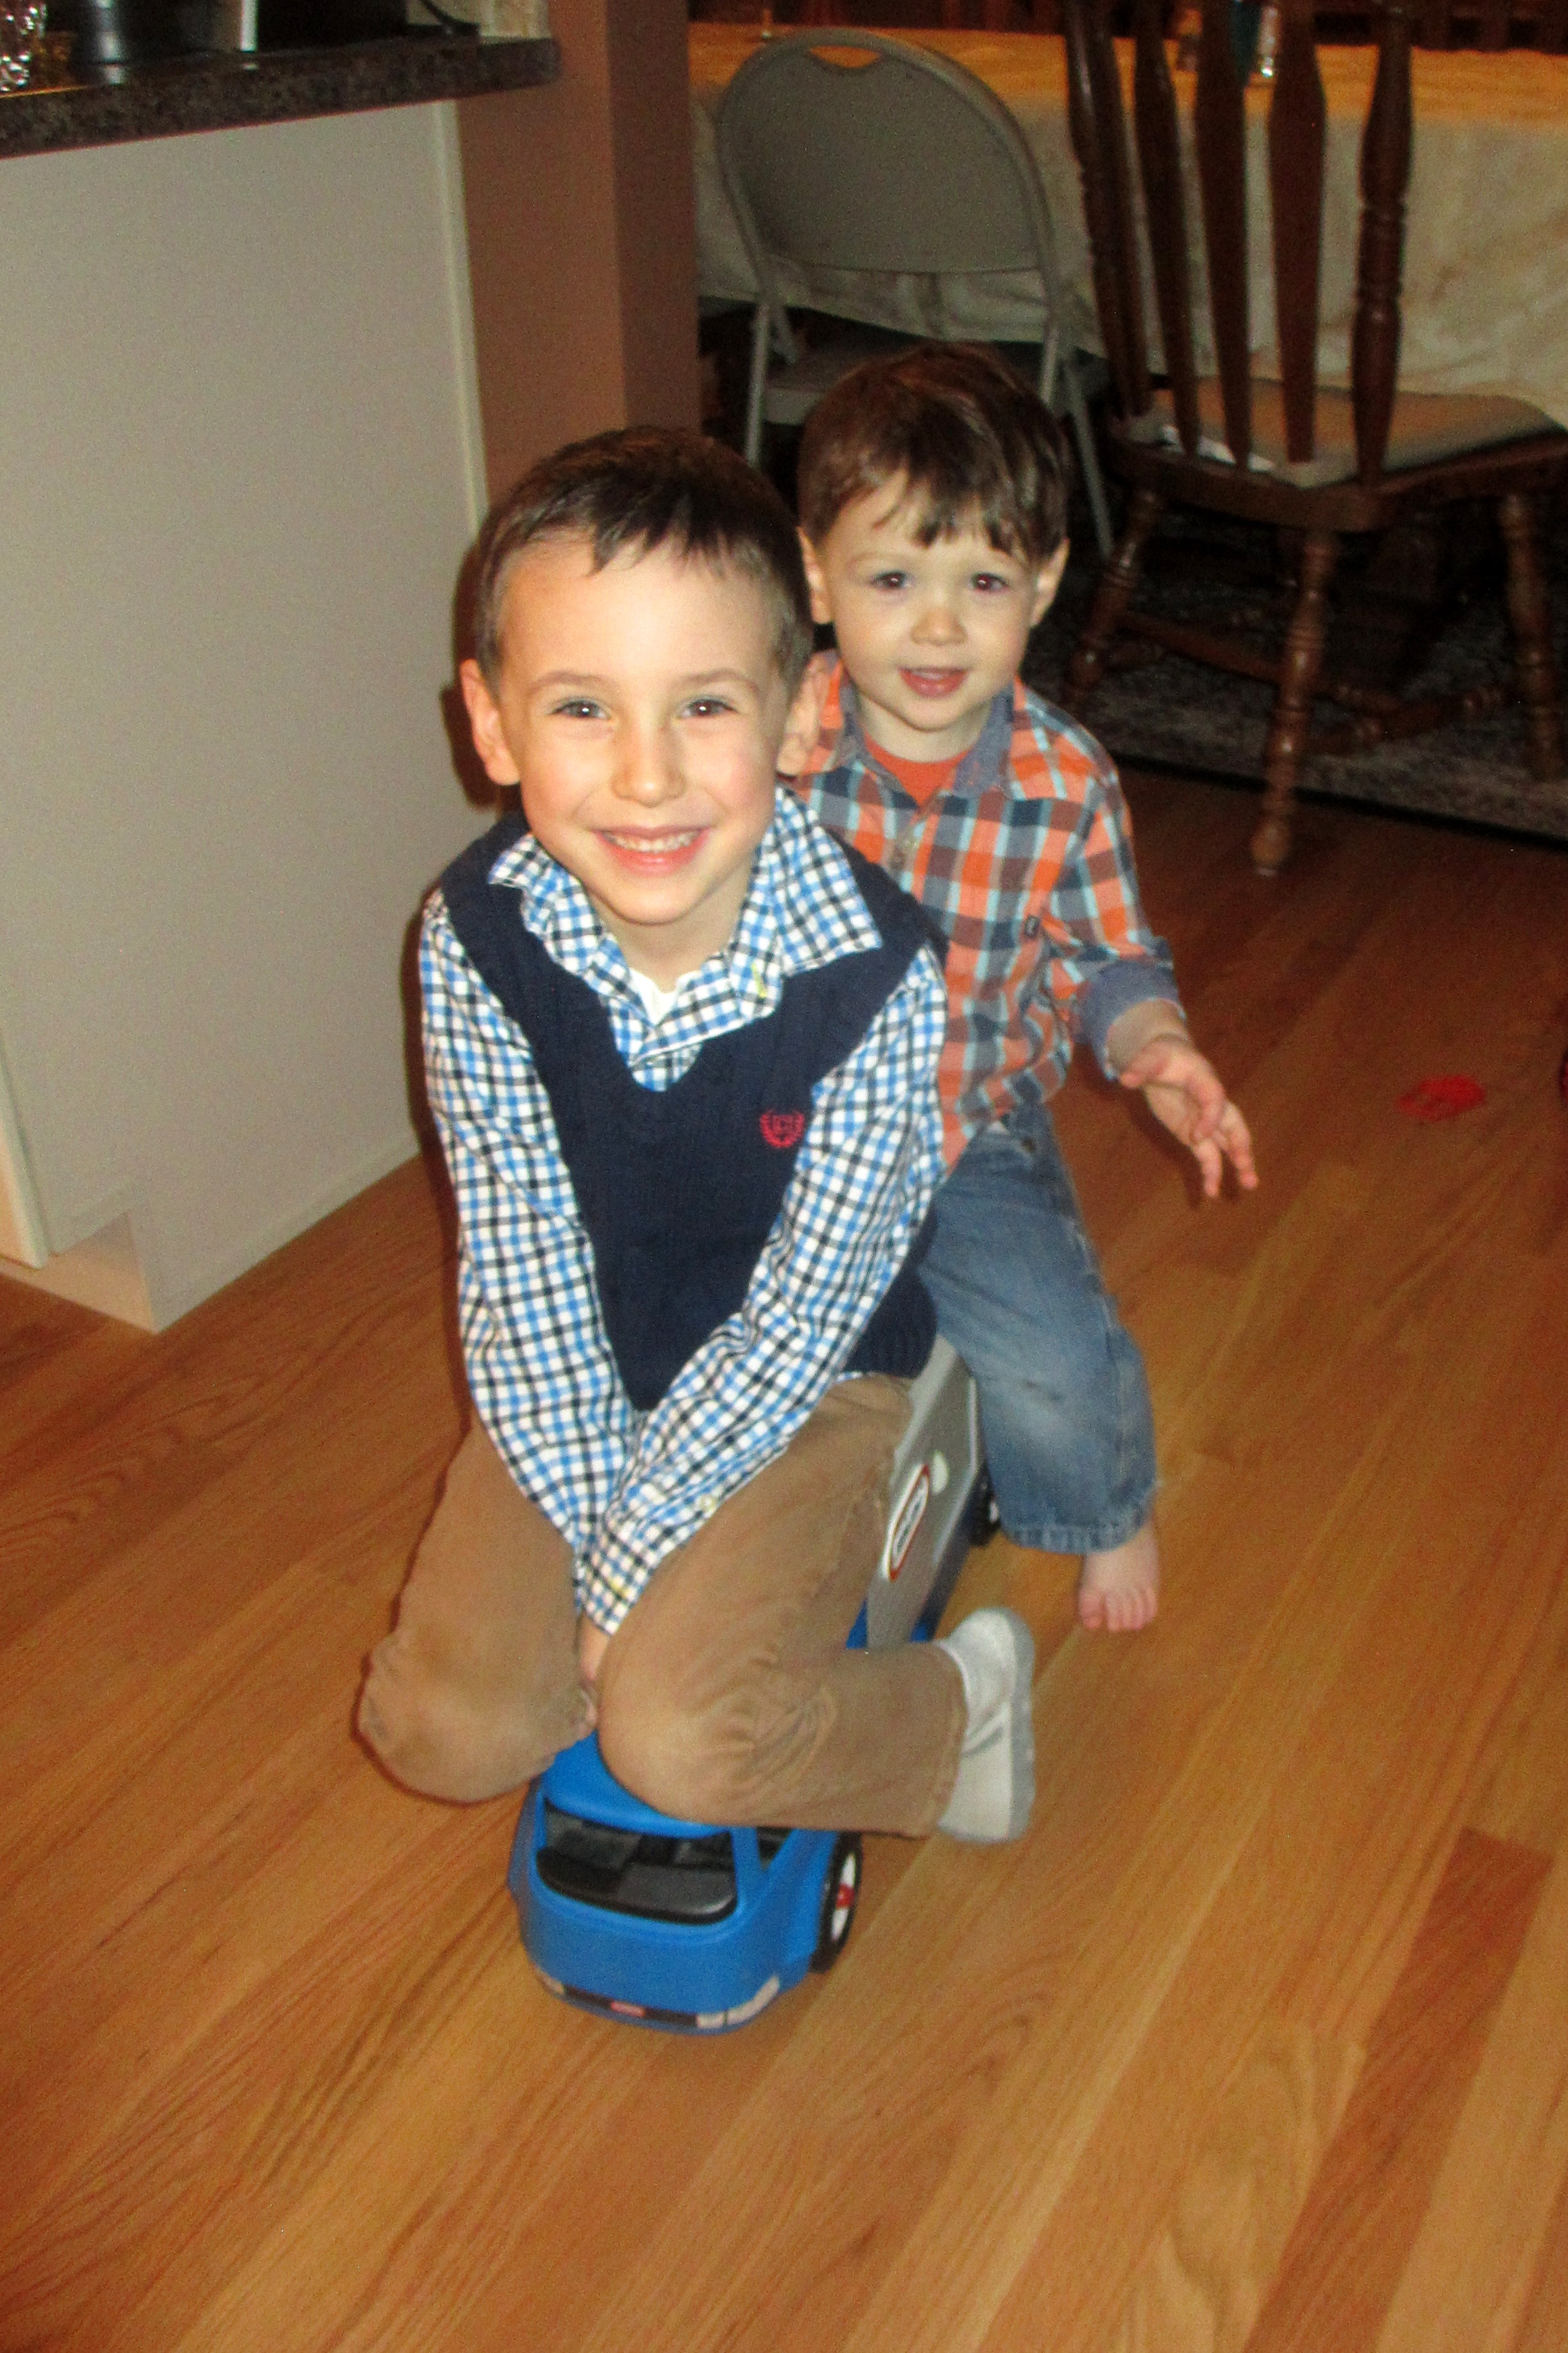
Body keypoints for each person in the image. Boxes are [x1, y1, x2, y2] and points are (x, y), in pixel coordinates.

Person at [357, 426, 1038, 1846]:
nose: (648, 776)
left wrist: (622, 1588)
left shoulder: (873, 976)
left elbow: (799, 1321)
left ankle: (954, 1713)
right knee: (441, 1729)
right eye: (582, 707)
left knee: (677, 1737)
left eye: (705, 706)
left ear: (798, 717)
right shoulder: (470, 940)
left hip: (812, 1377)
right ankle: (669, 1668)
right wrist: (615, 1549)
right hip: (588, 1356)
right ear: (490, 724)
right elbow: (524, 1273)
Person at [791, 345, 1257, 1635]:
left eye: (983, 582)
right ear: (814, 577)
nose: (937, 626)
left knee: (1055, 1364)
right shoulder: (768, 738)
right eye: (892, 578)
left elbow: (1107, 956)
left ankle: (1103, 1504)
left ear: (1043, 584)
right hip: (777, 1132)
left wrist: (1153, 1044)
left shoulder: (1066, 780)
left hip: (965, 1130)